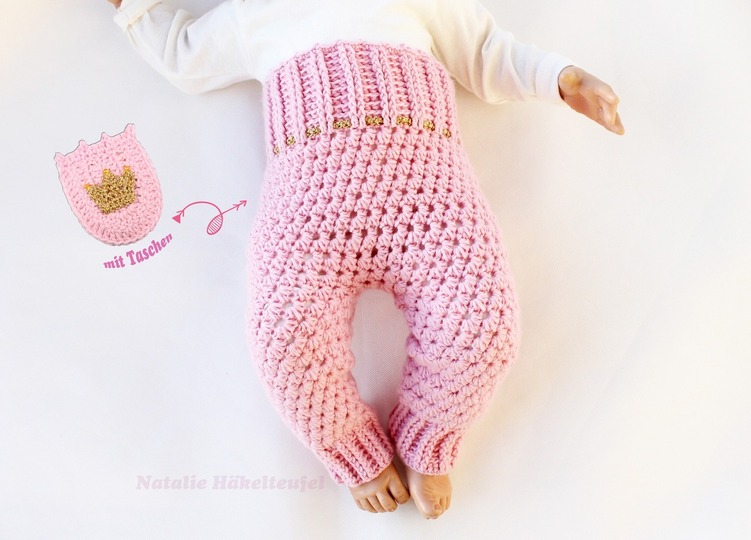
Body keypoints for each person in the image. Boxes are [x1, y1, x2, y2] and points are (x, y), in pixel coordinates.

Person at [106, 0, 624, 519]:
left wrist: (561, 78)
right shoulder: (254, 13)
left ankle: (430, 432)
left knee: (480, 327)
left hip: (429, 206)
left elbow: (488, 52)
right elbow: (183, 53)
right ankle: (350, 445)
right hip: (309, 218)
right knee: (285, 340)